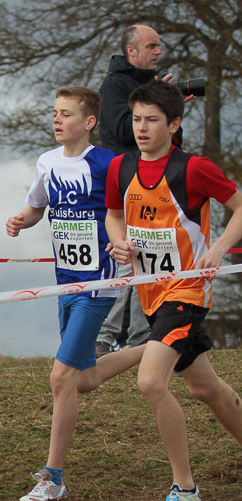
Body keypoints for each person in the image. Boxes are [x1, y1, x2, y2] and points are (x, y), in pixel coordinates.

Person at [105, 80, 242, 501]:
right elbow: (114, 215)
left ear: (174, 124)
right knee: (205, 388)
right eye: (136, 120)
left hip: (187, 292)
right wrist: (119, 242)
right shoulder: (120, 167)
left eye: (152, 120)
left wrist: (218, 248)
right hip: (150, 293)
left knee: (150, 382)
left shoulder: (194, 169)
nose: (142, 128)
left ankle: (185, 488)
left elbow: (240, 205)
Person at [6, 87, 145, 501]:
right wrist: (21, 220)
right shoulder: (47, 162)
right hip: (65, 282)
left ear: (89, 122)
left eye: (66, 114)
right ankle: (158, 346)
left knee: (60, 377)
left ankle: (53, 477)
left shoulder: (109, 164)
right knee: (85, 378)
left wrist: (125, 243)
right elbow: (37, 207)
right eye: (55, 113)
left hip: (99, 283)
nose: (57, 119)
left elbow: (130, 209)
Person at [95, 25, 173, 357]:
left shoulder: (148, 84)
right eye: (151, 46)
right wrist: (155, 102)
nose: (158, 52)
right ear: (132, 51)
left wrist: (170, 106)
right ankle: (105, 335)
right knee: (127, 257)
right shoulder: (114, 85)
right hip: (128, 180)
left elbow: (166, 137)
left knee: (150, 257)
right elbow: (124, 131)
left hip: (159, 178)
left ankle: (142, 337)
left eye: (159, 46)